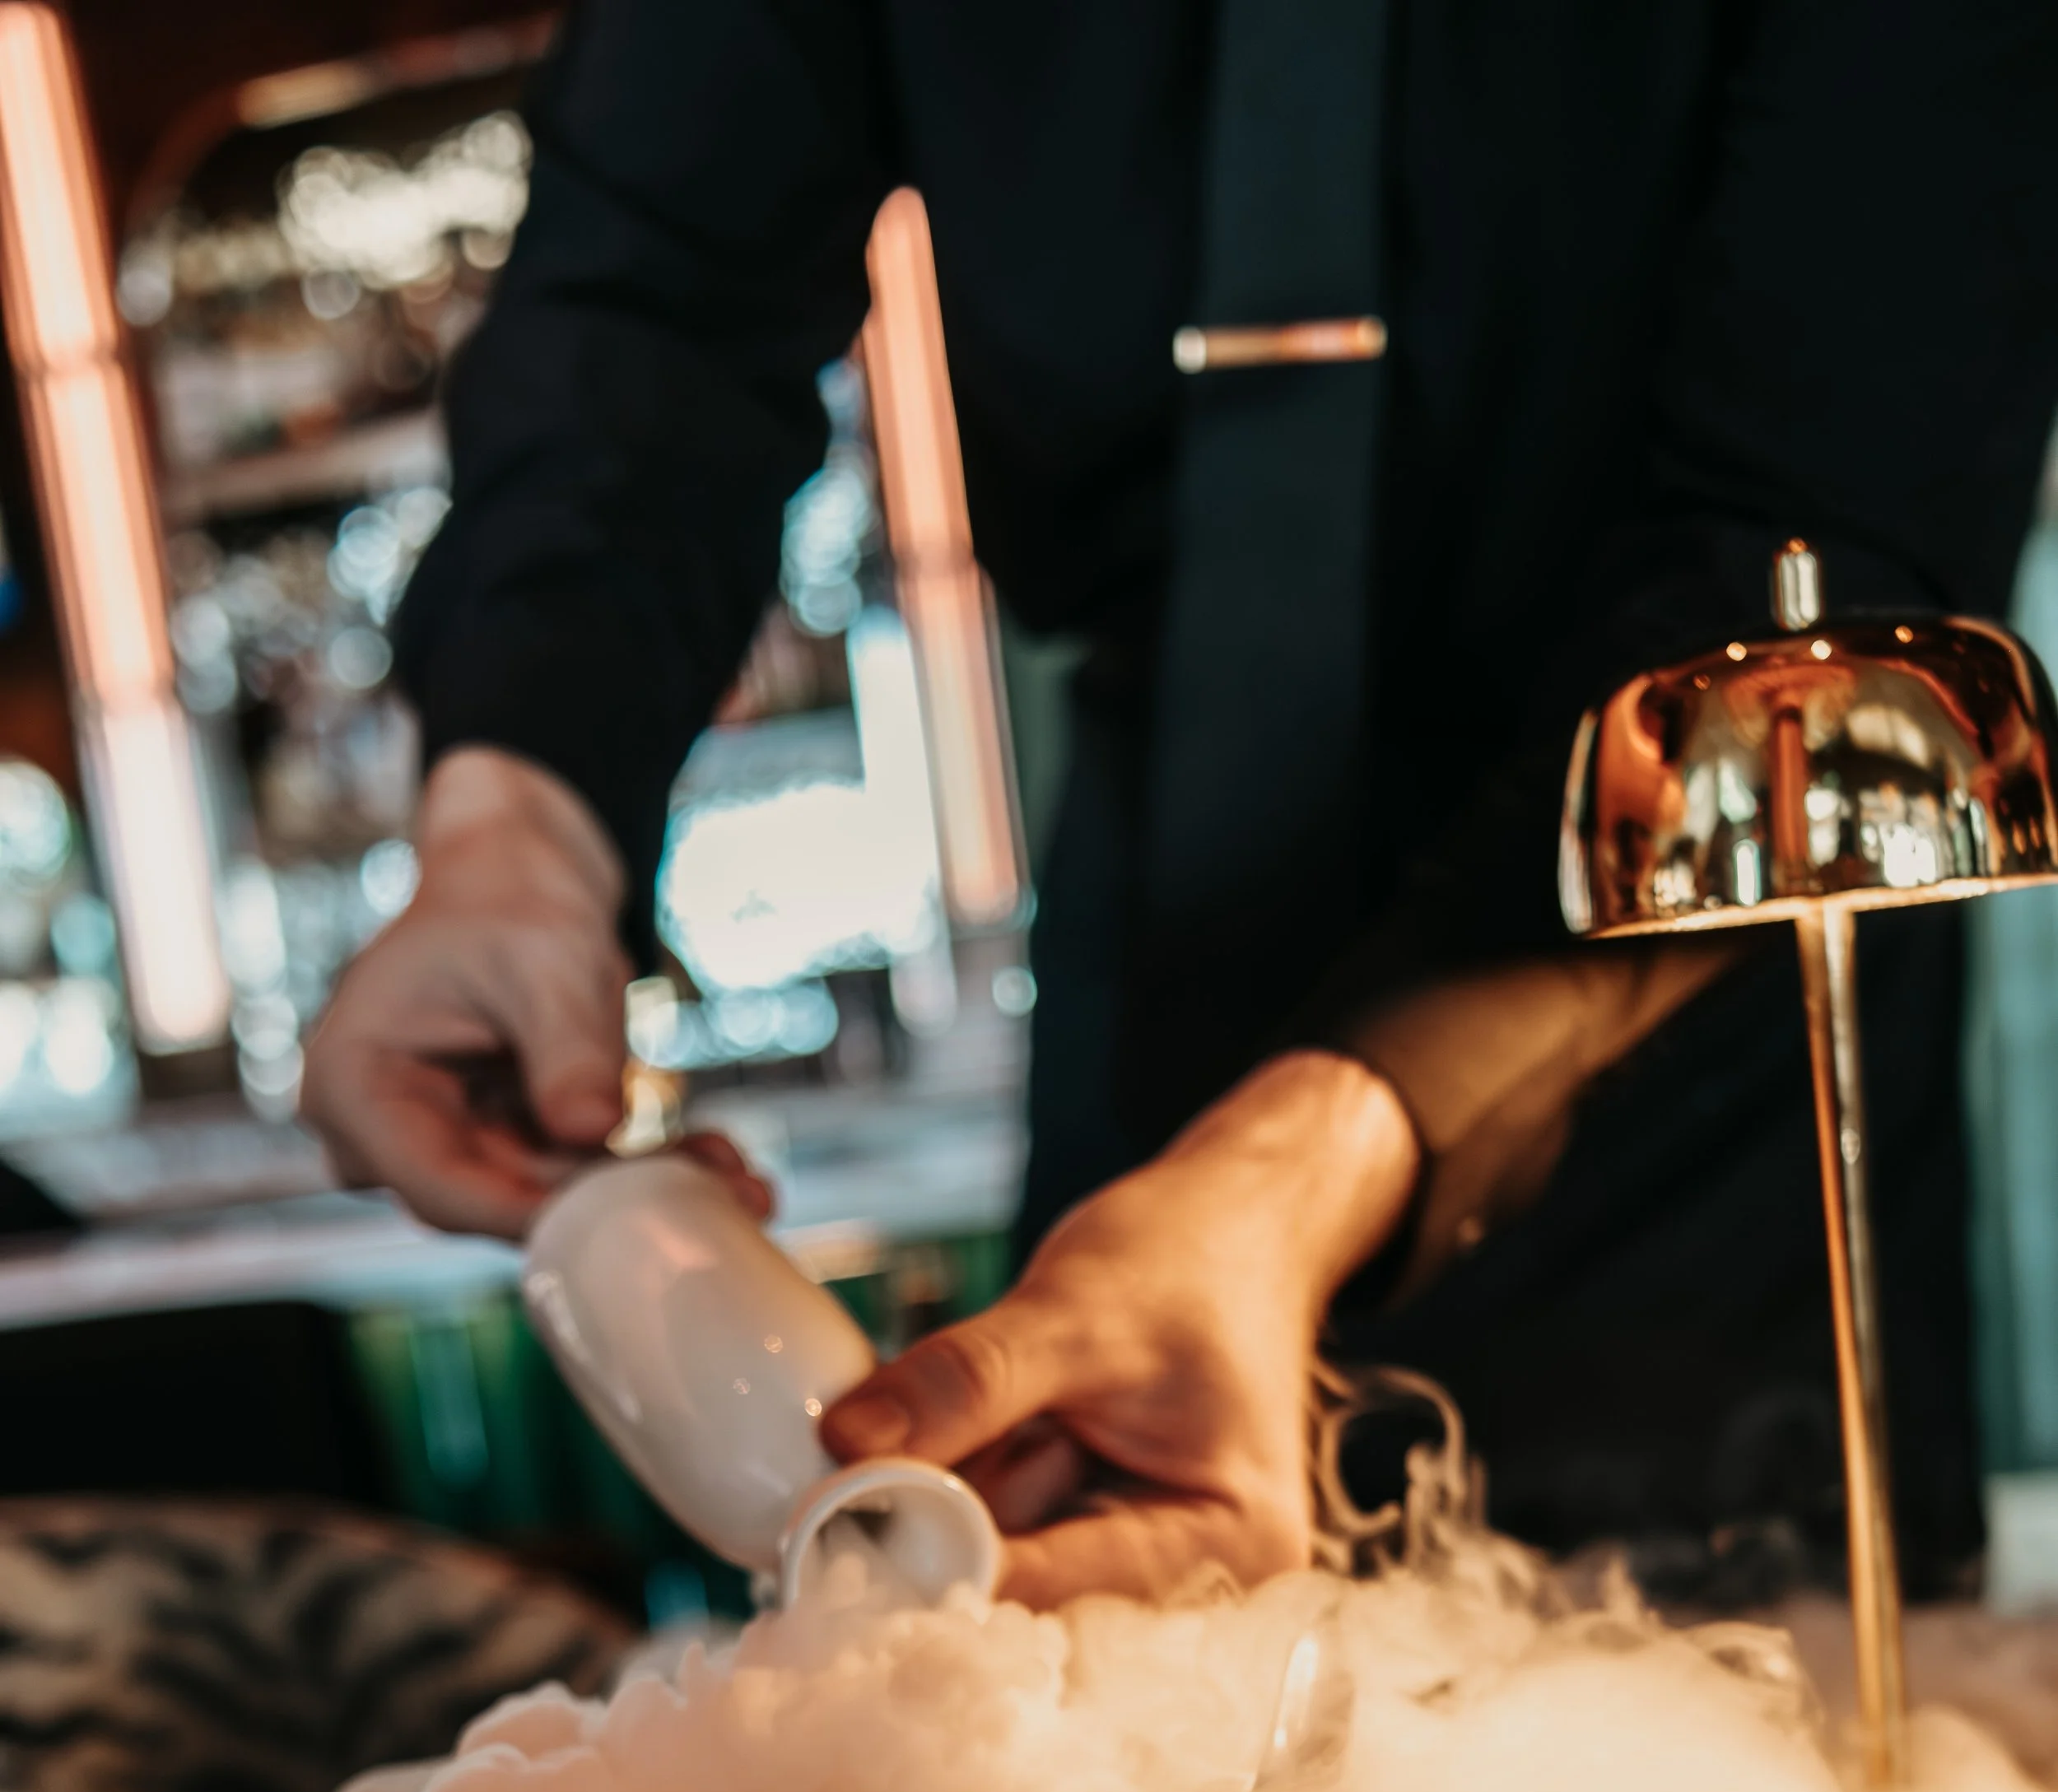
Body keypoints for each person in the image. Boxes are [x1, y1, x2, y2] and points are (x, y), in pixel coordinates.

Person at [302, 2, 2058, 1607]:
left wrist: (1294, 1176)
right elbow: (648, 305)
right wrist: (511, 835)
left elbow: (1821, 556)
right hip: (1151, 1040)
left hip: (1681, 1055)